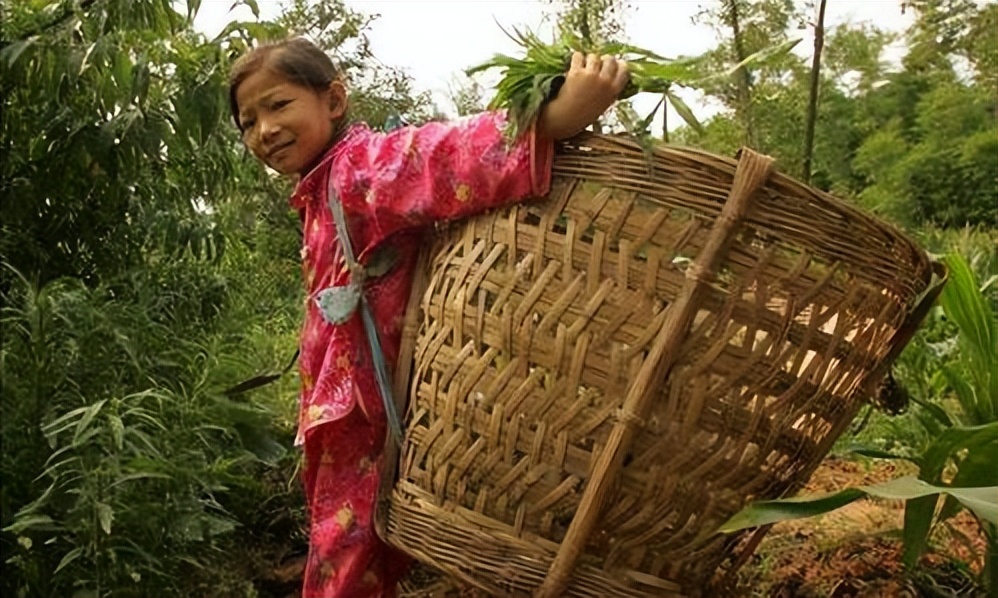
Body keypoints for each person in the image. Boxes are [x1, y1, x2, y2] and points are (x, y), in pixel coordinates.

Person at [228, 36, 628, 597]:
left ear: (334, 101)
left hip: (365, 417)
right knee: (357, 559)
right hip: (347, 416)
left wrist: (549, 121)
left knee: (342, 572)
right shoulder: (321, 190)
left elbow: (437, 157)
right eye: (247, 121)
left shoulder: (358, 171)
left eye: (278, 105)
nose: (263, 130)